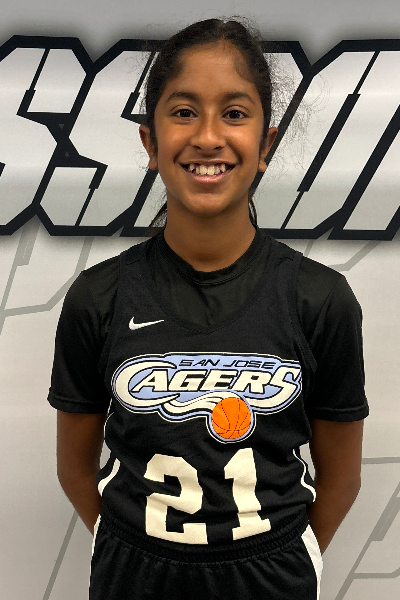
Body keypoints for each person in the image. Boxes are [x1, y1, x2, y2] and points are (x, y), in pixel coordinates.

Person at [49, 18, 368, 600]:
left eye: (235, 113)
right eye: (184, 111)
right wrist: (130, 548)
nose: (208, 137)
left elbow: (343, 478)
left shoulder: (319, 300)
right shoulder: (99, 297)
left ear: (265, 145)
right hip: (132, 573)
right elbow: (74, 468)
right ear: (150, 142)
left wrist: (288, 561)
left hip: (271, 575)